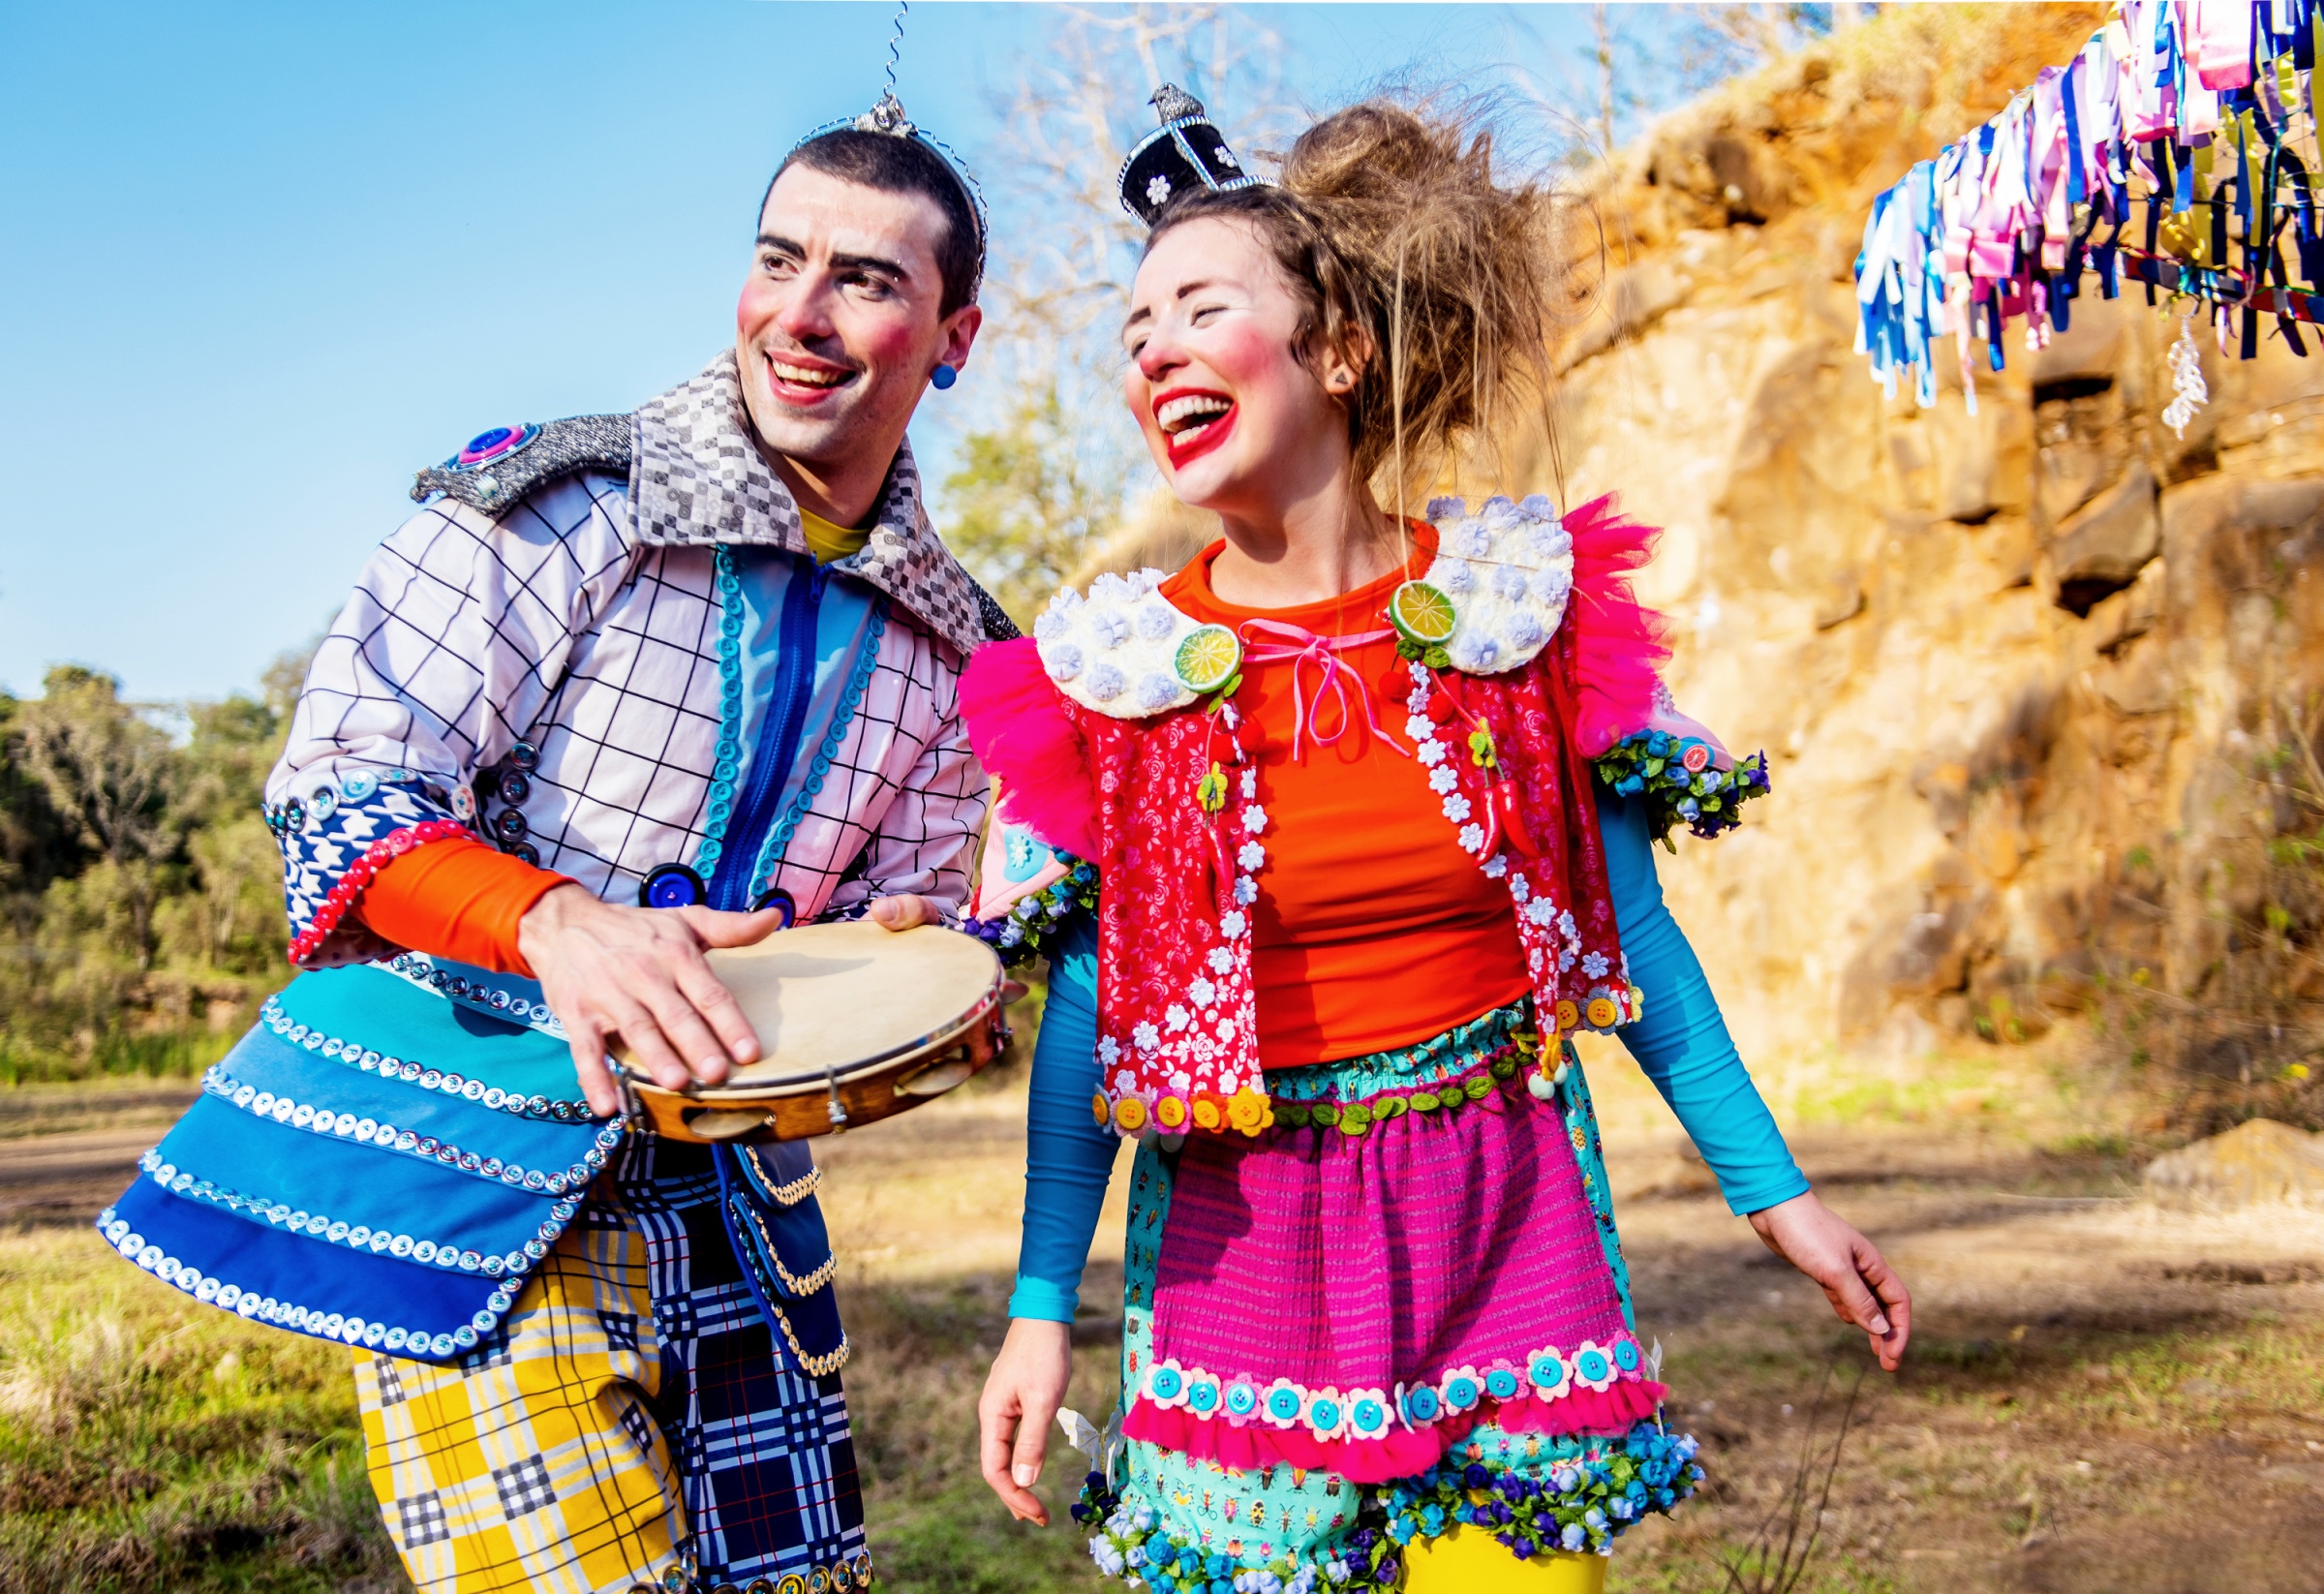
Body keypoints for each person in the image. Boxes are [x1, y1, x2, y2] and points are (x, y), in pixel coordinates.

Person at [961, 91, 1912, 1594]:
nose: (1151, 348)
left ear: (1339, 351)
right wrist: (1037, 1304)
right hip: (1243, 1244)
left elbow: (1633, 941)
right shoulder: (1111, 679)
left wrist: (1779, 1198)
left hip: (1505, 1213)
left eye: (1203, 305)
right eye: (1134, 326)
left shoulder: (1518, 612)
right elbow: (1092, 1014)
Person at [98, 92, 1012, 1594]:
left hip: (740, 1210)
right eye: (779, 257)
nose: (801, 313)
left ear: (954, 336)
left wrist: (932, 985)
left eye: (866, 279)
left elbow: (896, 951)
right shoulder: (556, 502)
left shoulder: (962, 650)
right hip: (481, 1157)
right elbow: (343, 786)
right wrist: (558, 923)